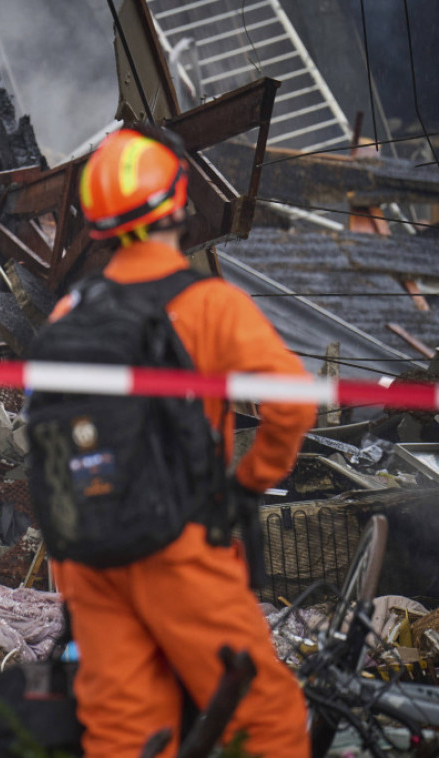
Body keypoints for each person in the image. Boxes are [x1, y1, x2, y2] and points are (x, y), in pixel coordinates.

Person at [48, 125, 317, 757]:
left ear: (98, 227)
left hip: (90, 556)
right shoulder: (211, 305)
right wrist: (248, 482)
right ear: (177, 204)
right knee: (266, 723)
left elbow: (51, 439)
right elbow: (292, 402)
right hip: (182, 545)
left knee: (126, 734)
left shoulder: (68, 315)